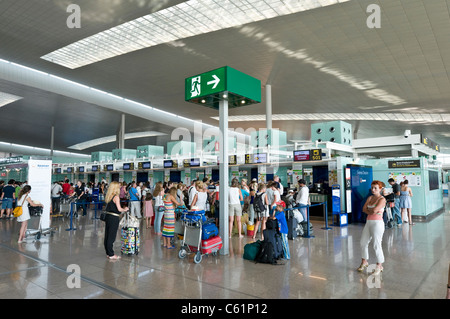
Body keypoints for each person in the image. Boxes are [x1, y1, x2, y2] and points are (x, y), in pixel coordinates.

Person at [358, 180, 387, 275]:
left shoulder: (382, 199)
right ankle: (364, 261)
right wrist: (371, 211)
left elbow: (374, 210)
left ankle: (379, 265)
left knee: (376, 244)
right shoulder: (370, 198)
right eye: (372, 188)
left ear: (380, 189)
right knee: (363, 242)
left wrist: (370, 210)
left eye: (375, 188)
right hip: (368, 222)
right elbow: (363, 209)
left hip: (377, 223)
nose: (373, 190)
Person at [103, 181, 129, 260]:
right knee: (112, 236)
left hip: (108, 217)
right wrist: (125, 209)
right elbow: (119, 209)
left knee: (107, 235)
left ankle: (108, 252)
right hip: (114, 217)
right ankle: (111, 254)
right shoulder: (116, 197)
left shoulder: (108, 196)